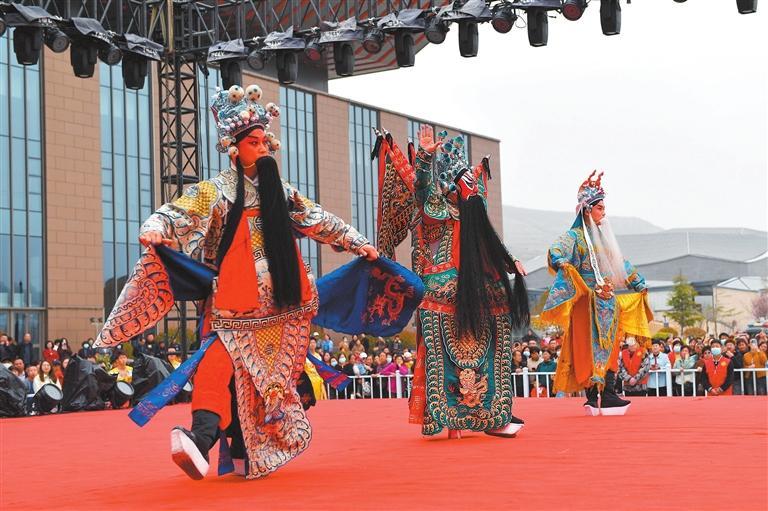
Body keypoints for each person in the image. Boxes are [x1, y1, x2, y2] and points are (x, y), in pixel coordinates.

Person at [94, 82, 378, 481]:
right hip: (231, 304)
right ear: (234, 148)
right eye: (254, 143)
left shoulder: (282, 193)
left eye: (265, 143)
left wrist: (358, 243)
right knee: (216, 366)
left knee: (263, 382)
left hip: (281, 307)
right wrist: (155, 229)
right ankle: (200, 439)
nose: (262, 149)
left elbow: (320, 219)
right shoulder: (215, 192)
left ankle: (244, 449)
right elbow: (177, 212)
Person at [374, 125, 529, 439]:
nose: (470, 192)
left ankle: (490, 414)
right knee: (445, 359)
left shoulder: (470, 216)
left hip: (478, 291)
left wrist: (510, 260)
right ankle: (456, 419)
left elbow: (490, 241)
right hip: (442, 293)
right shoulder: (435, 210)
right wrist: (425, 159)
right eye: (465, 186)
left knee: (489, 353)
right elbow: (421, 187)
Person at [540, 172, 651, 415]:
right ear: (587, 210)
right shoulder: (575, 237)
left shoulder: (604, 241)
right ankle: (592, 397)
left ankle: (608, 394)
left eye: (604, 208)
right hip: (585, 302)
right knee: (586, 348)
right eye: (600, 208)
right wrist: (560, 261)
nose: (603, 212)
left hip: (607, 302)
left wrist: (638, 283)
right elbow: (556, 249)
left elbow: (622, 265)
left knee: (610, 346)